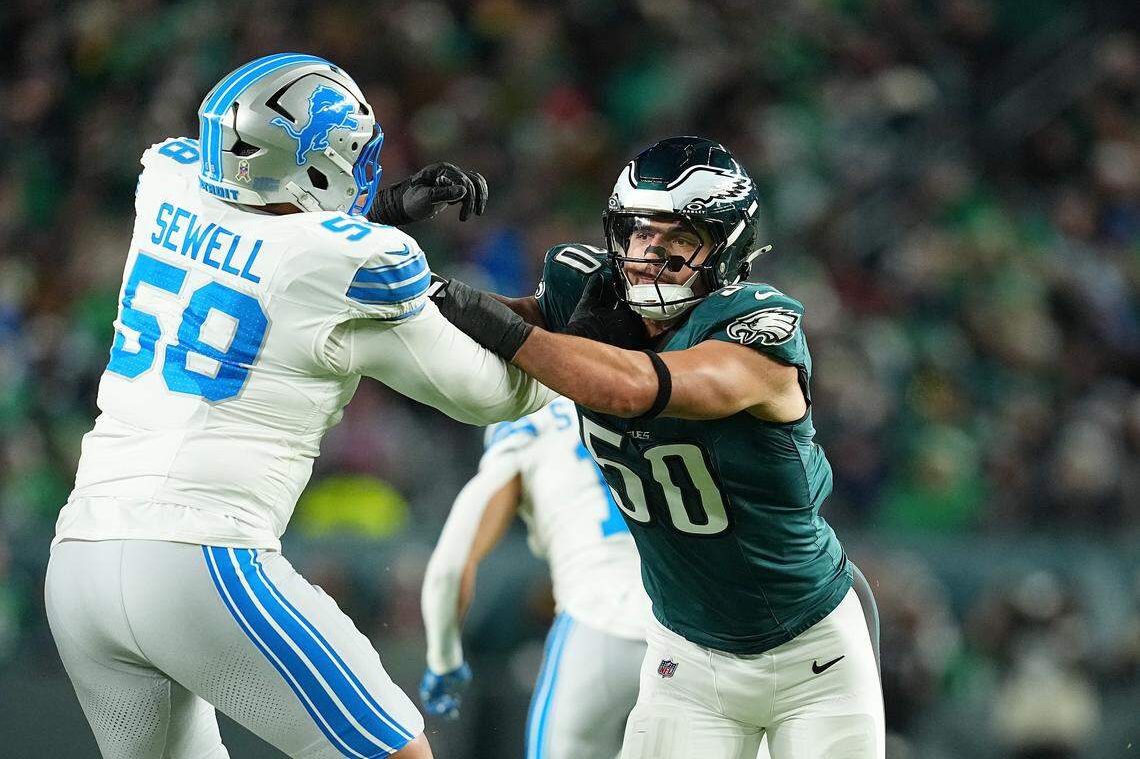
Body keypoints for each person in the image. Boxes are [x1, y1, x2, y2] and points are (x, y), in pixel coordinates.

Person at [44, 53, 555, 759]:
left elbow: (263, 234)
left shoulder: (167, 183)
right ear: (316, 163)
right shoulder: (353, 262)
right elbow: (493, 397)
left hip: (78, 562)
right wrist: (575, 342)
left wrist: (377, 211)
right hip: (203, 559)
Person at [429, 137, 886, 758]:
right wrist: (391, 263)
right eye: (640, 233)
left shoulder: (760, 332)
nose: (650, 254)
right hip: (686, 657)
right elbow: (478, 334)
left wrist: (476, 311)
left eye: (679, 238)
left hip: (811, 654)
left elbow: (628, 386)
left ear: (727, 244)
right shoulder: (590, 300)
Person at [419, 396, 651, 759]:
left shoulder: (527, 424)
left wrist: (443, 657)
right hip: (685, 626)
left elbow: (451, 564)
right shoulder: (632, 382)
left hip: (593, 625)